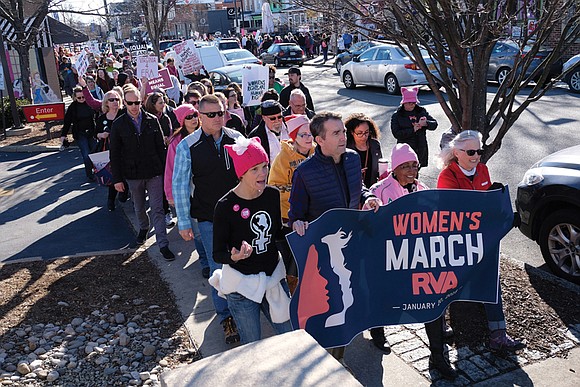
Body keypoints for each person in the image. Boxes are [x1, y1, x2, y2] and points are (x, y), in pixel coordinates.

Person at [288, 111, 382, 363]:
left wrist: (367, 197)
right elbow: (295, 214)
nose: (344, 136)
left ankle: (361, 332)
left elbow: (358, 189)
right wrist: (297, 222)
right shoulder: (304, 173)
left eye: (343, 131)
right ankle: (333, 363)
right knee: (336, 300)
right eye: (337, 133)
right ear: (319, 140)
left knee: (358, 292)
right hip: (325, 250)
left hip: (353, 241)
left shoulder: (352, 159)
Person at [436, 130, 526, 360]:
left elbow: (486, 198)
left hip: (481, 240)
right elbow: (452, 214)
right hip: (457, 243)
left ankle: (498, 336)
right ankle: (440, 327)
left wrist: (501, 207)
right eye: (471, 151)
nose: (477, 155)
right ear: (457, 153)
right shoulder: (447, 177)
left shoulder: (483, 170)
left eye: (479, 150)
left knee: (491, 282)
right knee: (447, 284)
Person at [367, 143, 455, 376]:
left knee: (433, 301)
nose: (410, 170)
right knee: (382, 297)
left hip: (419, 259)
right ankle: (378, 332)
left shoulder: (423, 188)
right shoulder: (380, 190)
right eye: (404, 166)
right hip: (390, 260)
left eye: (414, 165)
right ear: (394, 168)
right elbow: (371, 224)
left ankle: (438, 356)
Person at [172, 94, 243, 344]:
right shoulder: (187, 146)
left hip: (240, 217)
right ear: (199, 117)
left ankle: (246, 308)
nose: (217, 118)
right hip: (208, 218)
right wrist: (183, 222)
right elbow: (179, 185)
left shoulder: (237, 140)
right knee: (218, 271)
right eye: (211, 114)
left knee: (243, 265)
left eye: (221, 113)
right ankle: (226, 317)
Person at [210, 137, 293, 344]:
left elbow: (277, 234)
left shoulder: (272, 195)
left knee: (291, 339)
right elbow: (217, 253)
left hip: (273, 278)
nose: (263, 173)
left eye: (265, 166)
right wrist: (234, 257)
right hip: (242, 285)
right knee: (252, 347)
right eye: (255, 169)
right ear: (242, 173)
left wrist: (299, 230)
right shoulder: (225, 206)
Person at [109, 85, 175, 261]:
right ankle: (143, 228)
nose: (134, 106)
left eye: (137, 102)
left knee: (158, 209)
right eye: (130, 103)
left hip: (154, 172)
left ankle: (163, 244)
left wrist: (166, 173)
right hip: (132, 174)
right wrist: (117, 179)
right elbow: (114, 153)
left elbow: (162, 149)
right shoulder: (118, 125)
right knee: (139, 207)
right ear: (125, 102)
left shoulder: (152, 120)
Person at [267, 115, 315, 292]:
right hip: (290, 217)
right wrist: (299, 191)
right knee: (295, 257)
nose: (309, 138)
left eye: (311, 134)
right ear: (294, 137)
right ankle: (294, 291)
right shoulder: (283, 158)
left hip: (313, 215)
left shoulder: (317, 152)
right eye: (304, 135)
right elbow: (274, 187)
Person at [164, 104, 210, 279]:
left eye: (195, 115)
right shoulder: (176, 143)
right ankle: (205, 262)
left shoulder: (206, 135)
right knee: (198, 232)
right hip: (188, 194)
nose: (193, 119)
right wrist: (170, 195)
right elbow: (170, 171)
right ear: (182, 121)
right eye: (189, 116)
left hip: (206, 191)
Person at [95, 90, 129, 211]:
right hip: (109, 151)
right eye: (112, 100)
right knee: (112, 175)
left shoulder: (124, 114)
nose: (115, 102)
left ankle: (124, 193)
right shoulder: (102, 119)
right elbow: (95, 134)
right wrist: (101, 134)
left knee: (125, 174)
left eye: (117, 99)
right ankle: (111, 200)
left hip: (125, 150)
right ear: (106, 103)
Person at [390, 86, 438, 168]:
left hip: (420, 147)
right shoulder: (397, 115)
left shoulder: (421, 111)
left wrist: (426, 123)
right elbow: (397, 134)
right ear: (404, 103)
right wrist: (413, 130)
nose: (412, 105)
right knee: (406, 172)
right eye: (410, 103)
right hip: (405, 149)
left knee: (416, 171)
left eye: (414, 102)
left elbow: (435, 124)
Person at [60, 86, 98, 182]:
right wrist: (63, 135)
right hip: (80, 133)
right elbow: (67, 122)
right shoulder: (72, 107)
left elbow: (97, 116)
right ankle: (90, 174)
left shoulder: (90, 104)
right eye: (79, 98)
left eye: (83, 97)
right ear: (75, 97)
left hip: (92, 131)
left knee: (96, 152)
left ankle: (99, 171)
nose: (81, 99)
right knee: (86, 154)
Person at [345, 113, 383, 188]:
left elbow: (380, 166)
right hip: (353, 188)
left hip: (372, 187)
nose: (364, 136)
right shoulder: (346, 148)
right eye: (359, 133)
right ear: (352, 132)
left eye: (366, 132)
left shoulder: (375, 145)